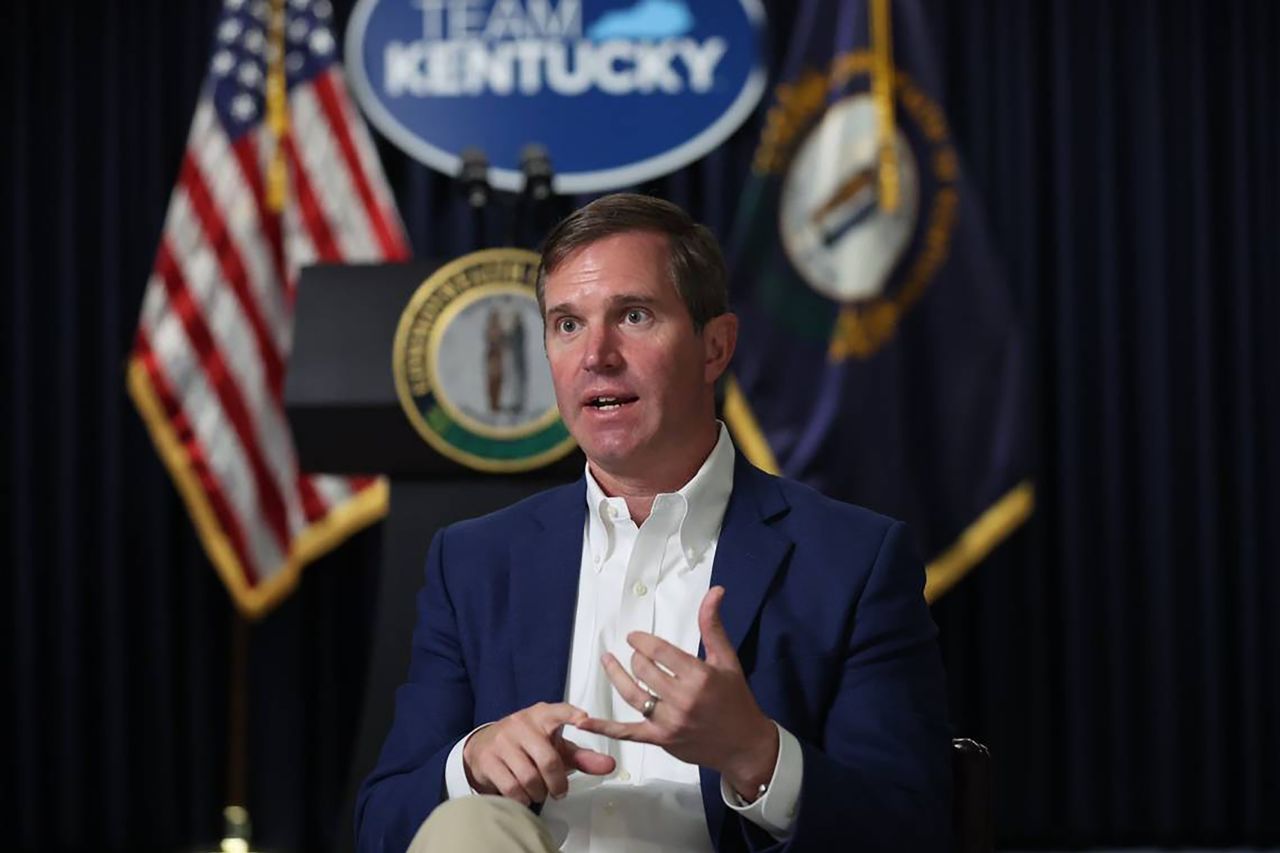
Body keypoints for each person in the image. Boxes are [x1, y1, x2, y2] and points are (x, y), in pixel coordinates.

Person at [356, 194, 952, 853]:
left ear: (715, 346)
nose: (596, 355)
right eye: (567, 324)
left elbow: (911, 831)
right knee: (468, 828)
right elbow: (381, 823)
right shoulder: (473, 562)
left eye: (633, 315)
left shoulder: (852, 561)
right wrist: (471, 763)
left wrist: (755, 753)